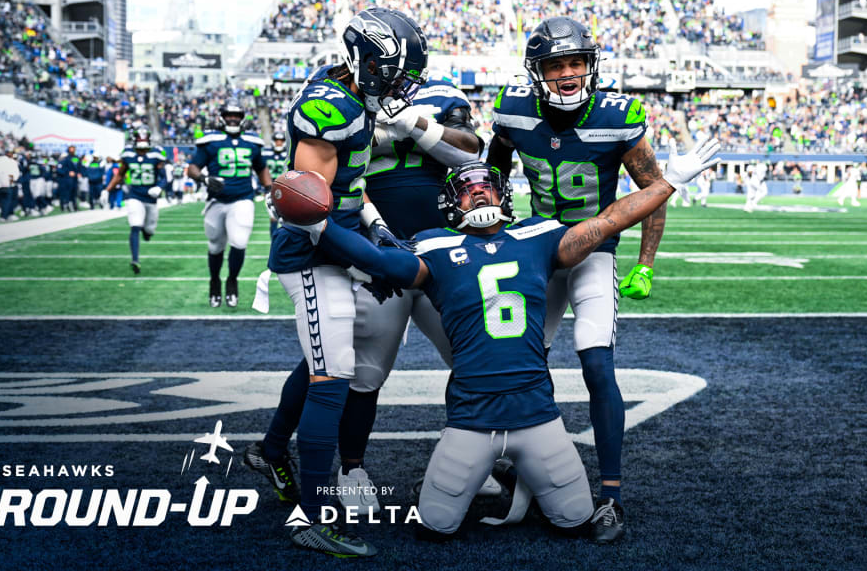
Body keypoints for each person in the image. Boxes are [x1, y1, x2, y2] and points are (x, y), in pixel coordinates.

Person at [287, 148, 719, 543]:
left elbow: (608, 222)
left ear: (504, 196)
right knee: (435, 525)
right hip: (471, 422)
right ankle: (486, 476)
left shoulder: (540, 236)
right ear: (449, 205)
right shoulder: (435, 248)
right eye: (468, 192)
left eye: (486, 188)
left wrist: (669, 182)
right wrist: (319, 225)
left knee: (574, 519)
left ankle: (516, 475)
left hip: (538, 419)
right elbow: (378, 260)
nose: (478, 197)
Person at [250, 74, 485, 515]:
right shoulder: (349, 98)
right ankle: (350, 468)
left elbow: (469, 150)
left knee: (473, 356)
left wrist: (416, 124)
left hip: (441, 248)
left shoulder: (442, 93)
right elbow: (336, 175)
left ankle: (477, 452)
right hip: (369, 249)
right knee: (359, 369)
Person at [246, 7, 428, 557]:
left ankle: (274, 449)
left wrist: (378, 230)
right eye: (392, 72)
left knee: (324, 355)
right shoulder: (330, 110)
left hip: (339, 243)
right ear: (364, 60)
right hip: (311, 254)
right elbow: (306, 210)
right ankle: (315, 516)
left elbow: (349, 189)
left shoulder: (351, 97)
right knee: (334, 372)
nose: (398, 85)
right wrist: (370, 259)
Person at [485, 16, 671, 542]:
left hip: (595, 250)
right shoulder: (514, 109)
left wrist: (646, 263)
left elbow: (653, 192)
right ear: (536, 70)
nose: (567, 74)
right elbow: (490, 172)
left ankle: (609, 495)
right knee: (518, 358)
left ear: (590, 65)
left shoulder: (619, 115)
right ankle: (524, 464)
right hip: (539, 249)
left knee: (595, 358)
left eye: (575, 62)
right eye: (555, 64)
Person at [187, 103, 271, 308]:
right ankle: (214, 281)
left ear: (242, 118)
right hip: (216, 200)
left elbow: (261, 168)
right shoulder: (211, 141)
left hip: (242, 199)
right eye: (229, 115)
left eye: (236, 115)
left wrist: (269, 188)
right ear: (222, 117)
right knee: (215, 245)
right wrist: (205, 179)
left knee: (240, 242)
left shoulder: (252, 142)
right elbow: (193, 168)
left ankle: (232, 280)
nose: (232, 119)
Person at [102, 127, 168, 274]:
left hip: (151, 198)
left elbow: (164, 177)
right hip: (135, 195)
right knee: (135, 225)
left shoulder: (156, 154)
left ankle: (147, 231)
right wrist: (107, 190)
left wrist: (159, 188)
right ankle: (135, 260)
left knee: (149, 231)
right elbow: (120, 174)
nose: (142, 140)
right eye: (140, 137)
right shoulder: (128, 154)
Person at [261, 130, 288, 238]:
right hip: (270, 189)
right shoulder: (266, 153)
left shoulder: (288, 154)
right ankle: (274, 240)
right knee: (273, 217)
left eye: (281, 141)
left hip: (285, 189)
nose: (279, 143)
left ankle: (283, 240)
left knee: (286, 217)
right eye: (277, 141)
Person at [59, 145, 83, 213]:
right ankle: (67, 205)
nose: (72, 150)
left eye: (73, 149)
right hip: (68, 178)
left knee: (74, 193)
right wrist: (68, 172)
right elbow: (63, 168)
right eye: (71, 149)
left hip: (75, 178)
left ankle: (75, 206)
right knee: (68, 192)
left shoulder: (76, 158)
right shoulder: (66, 158)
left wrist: (79, 173)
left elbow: (79, 166)